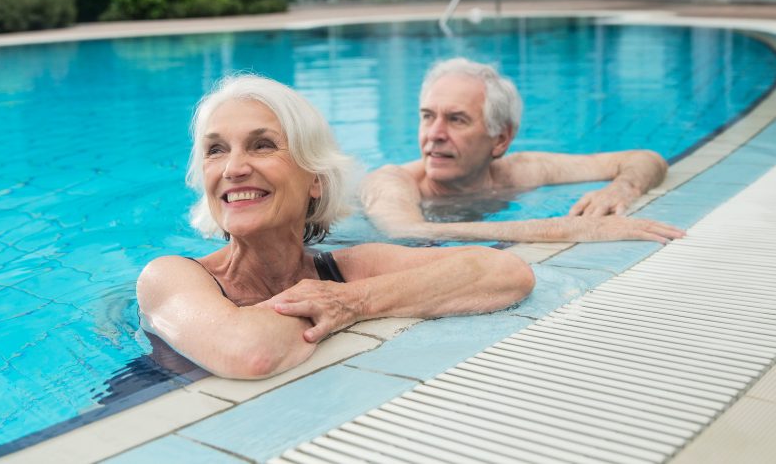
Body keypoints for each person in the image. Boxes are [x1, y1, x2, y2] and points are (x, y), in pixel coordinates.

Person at [137, 75, 535, 379]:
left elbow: (506, 272)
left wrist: (357, 301)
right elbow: (249, 352)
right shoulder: (169, 277)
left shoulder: (345, 273)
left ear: (316, 178)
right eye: (215, 150)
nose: (234, 168)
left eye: (262, 145)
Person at [361, 58, 685, 244]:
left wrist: (622, 188)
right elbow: (404, 231)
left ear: (500, 140)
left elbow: (646, 158)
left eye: (456, 120)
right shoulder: (392, 182)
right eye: (427, 117)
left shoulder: (518, 172)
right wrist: (568, 228)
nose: (434, 135)